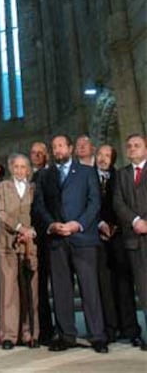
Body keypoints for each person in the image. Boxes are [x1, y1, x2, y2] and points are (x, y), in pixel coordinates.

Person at [33, 134, 108, 353]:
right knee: (61, 289)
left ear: (70, 148)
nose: (57, 150)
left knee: (89, 288)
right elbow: (40, 205)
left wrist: (79, 224)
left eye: (61, 146)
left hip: (82, 238)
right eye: (54, 147)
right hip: (57, 239)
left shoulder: (86, 172)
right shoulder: (46, 176)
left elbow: (94, 202)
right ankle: (66, 335)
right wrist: (52, 225)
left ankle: (97, 335)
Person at [95, 144, 141, 344]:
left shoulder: (121, 175)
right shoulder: (87, 176)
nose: (103, 158)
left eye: (108, 155)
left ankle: (130, 329)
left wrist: (115, 225)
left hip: (121, 236)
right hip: (98, 237)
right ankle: (110, 329)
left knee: (124, 284)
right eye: (101, 154)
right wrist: (101, 224)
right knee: (104, 285)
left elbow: (124, 202)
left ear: (113, 159)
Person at [0, 153, 39, 350]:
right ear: (11, 168)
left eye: (23, 167)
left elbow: (38, 213)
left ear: (28, 170)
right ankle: (9, 335)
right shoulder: (3, 187)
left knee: (31, 290)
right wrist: (20, 228)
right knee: (9, 290)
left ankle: (30, 333)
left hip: (30, 245)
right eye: (16, 167)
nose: (20, 170)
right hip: (8, 244)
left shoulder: (33, 189)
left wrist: (31, 232)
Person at [113, 134, 147, 351]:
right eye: (130, 146)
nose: (133, 149)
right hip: (134, 240)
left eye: (137, 145)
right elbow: (118, 202)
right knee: (144, 290)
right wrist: (135, 220)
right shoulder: (122, 174)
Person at [29, 140, 53, 344]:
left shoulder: (52, 174)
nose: (36, 155)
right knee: (40, 285)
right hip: (37, 238)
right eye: (33, 153)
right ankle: (44, 329)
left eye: (40, 152)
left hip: (53, 234)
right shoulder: (29, 177)